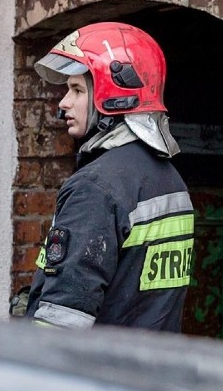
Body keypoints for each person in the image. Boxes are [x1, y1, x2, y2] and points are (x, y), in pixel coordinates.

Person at [21, 22, 194, 330]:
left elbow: (62, 318)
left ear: (114, 98)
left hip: (96, 372)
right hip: (152, 371)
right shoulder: (171, 181)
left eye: (76, 90)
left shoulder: (95, 188)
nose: (64, 103)